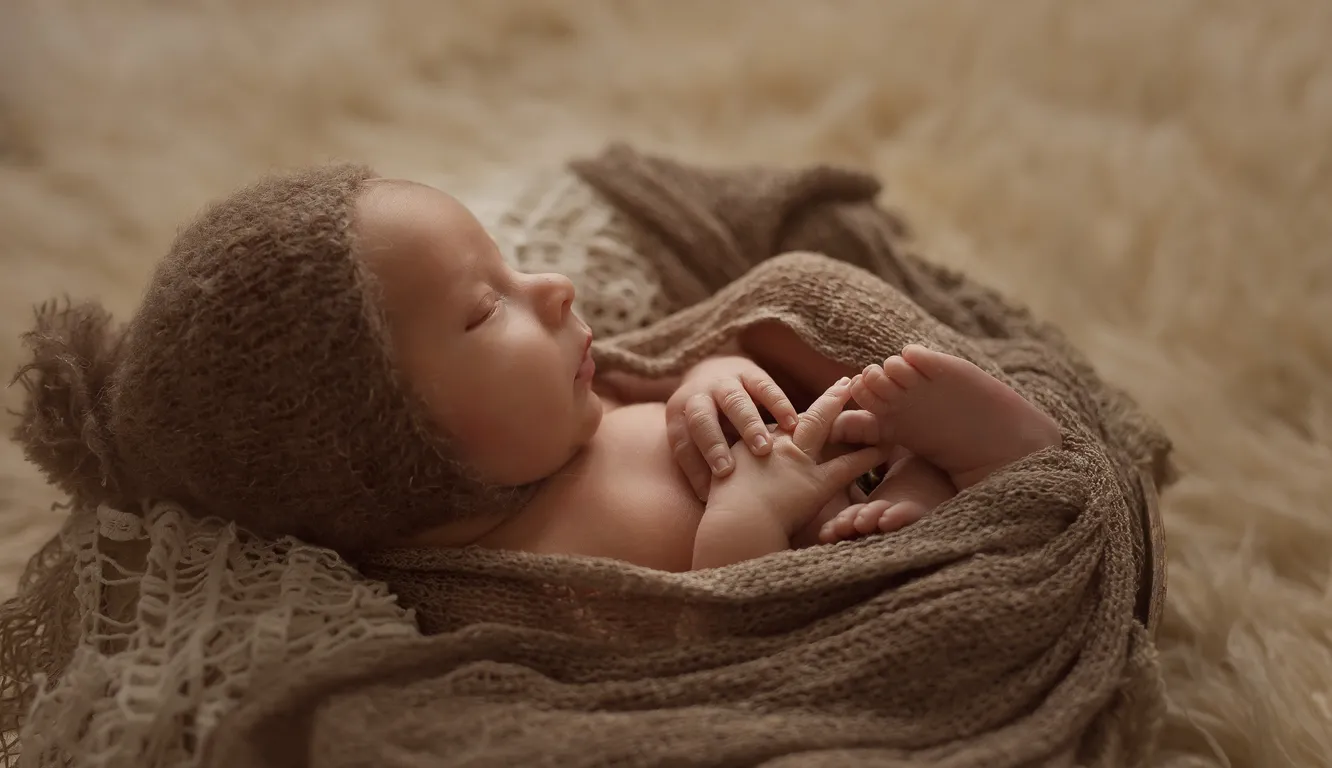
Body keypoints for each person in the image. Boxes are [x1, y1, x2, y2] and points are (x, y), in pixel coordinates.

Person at [12, 166, 1062, 572]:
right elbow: (701, 645)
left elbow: (683, 371)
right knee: (882, 554)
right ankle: (1012, 479)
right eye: (488, 308)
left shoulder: (573, 417)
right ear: (396, 453)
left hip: (836, 454)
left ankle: (952, 465)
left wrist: (709, 373)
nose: (555, 288)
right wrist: (747, 516)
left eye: (512, 267)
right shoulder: (525, 565)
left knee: (803, 303)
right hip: (814, 562)